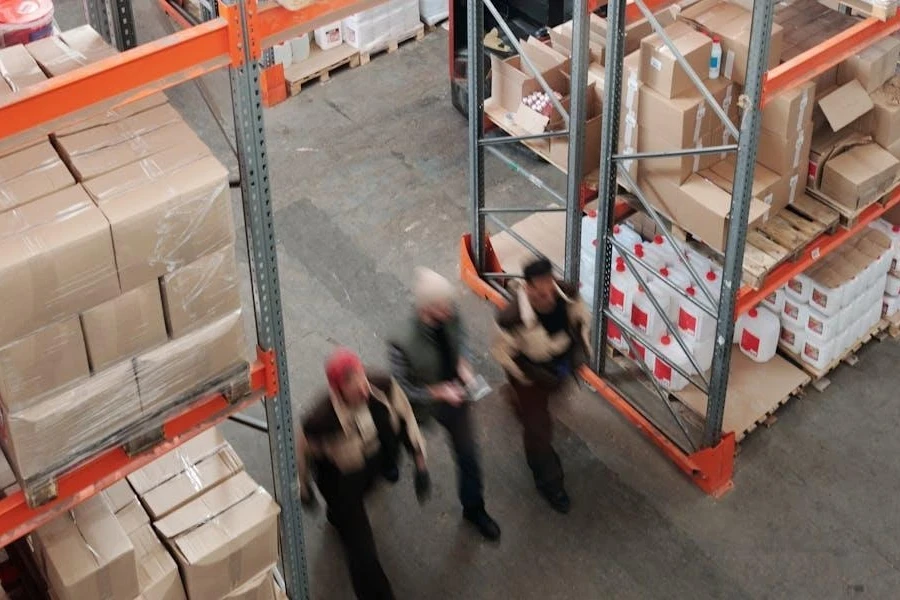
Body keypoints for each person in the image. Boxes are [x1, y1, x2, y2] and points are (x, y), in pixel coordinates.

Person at [297, 348, 431, 600]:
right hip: (341, 482)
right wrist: (304, 489)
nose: (362, 388)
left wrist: (420, 462)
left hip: (373, 464)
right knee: (362, 555)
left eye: (361, 378)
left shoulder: (381, 385)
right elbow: (302, 456)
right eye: (352, 386)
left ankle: (337, 517)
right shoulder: (320, 422)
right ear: (338, 390)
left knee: (360, 500)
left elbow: (405, 416)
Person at [388, 267, 501, 541]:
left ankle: (474, 508)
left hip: (454, 398)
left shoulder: (450, 314)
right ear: (427, 309)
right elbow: (402, 388)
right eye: (443, 306)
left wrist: (462, 362)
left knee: (468, 455)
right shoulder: (401, 341)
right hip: (420, 405)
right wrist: (436, 392)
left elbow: (460, 338)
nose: (451, 310)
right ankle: (387, 461)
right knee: (399, 437)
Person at [491, 257, 591, 514]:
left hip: (558, 368)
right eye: (540, 286)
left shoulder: (565, 293)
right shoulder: (512, 318)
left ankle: (518, 402)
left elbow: (580, 316)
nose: (547, 291)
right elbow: (502, 352)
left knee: (550, 397)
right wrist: (524, 379)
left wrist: (581, 346)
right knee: (538, 430)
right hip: (530, 373)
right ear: (528, 288)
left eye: (549, 281)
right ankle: (549, 482)